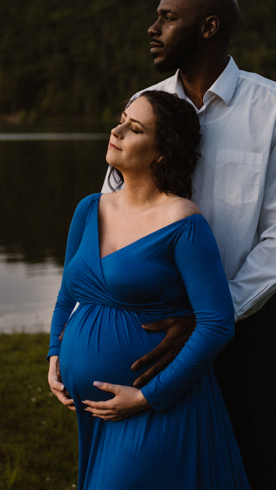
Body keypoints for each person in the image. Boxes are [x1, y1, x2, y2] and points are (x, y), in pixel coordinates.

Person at [105, 0, 276, 490]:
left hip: (249, 331)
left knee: (257, 470)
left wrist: (209, 318)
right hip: (152, 332)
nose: (152, 29)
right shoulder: (144, 104)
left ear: (209, 27)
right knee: (163, 471)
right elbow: (112, 212)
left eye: (167, 18)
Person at [47, 90, 251, 490]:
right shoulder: (89, 208)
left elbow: (217, 323)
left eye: (134, 128)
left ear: (161, 152)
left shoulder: (182, 222)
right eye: (121, 119)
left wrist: (150, 397)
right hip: (94, 412)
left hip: (155, 408)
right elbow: (67, 294)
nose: (116, 130)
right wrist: (55, 352)